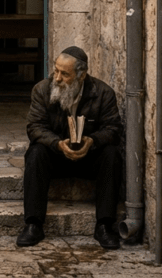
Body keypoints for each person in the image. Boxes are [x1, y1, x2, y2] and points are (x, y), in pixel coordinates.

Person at [17, 46, 123, 250]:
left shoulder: (103, 93)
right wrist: (57, 144)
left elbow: (114, 129)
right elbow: (35, 127)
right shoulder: (42, 89)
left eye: (64, 74)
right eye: (56, 70)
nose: (57, 78)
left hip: (88, 156)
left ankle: (104, 225)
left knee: (111, 155)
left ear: (81, 75)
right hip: (56, 156)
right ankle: (33, 224)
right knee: (36, 152)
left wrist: (92, 141)